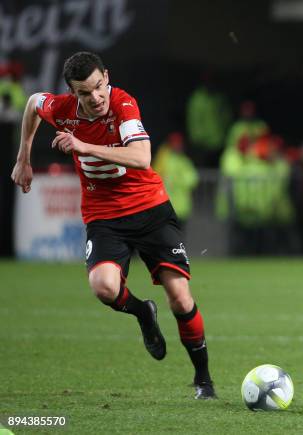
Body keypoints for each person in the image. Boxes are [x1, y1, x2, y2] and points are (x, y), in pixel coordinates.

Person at [10, 52, 215, 400]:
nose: (95, 98)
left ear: (107, 77)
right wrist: (23, 157)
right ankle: (143, 312)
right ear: (73, 93)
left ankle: (203, 381)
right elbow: (32, 103)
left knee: (180, 298)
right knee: (104, 287)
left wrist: (82, 145)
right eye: (85, 93)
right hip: (104, 216)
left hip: (149, 209)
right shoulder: (60, 110)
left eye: (98, 87)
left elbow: (141, 157)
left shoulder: (123, 104)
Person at [152, 132, 199, 230]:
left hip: (181, 208)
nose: (178, 146)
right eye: (175, 143)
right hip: (166, 207)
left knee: (178, 237)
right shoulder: (164, 159)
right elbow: (156, 177)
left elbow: (193, 179)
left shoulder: (184, 161)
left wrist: (177, 181)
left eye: (179, 143)